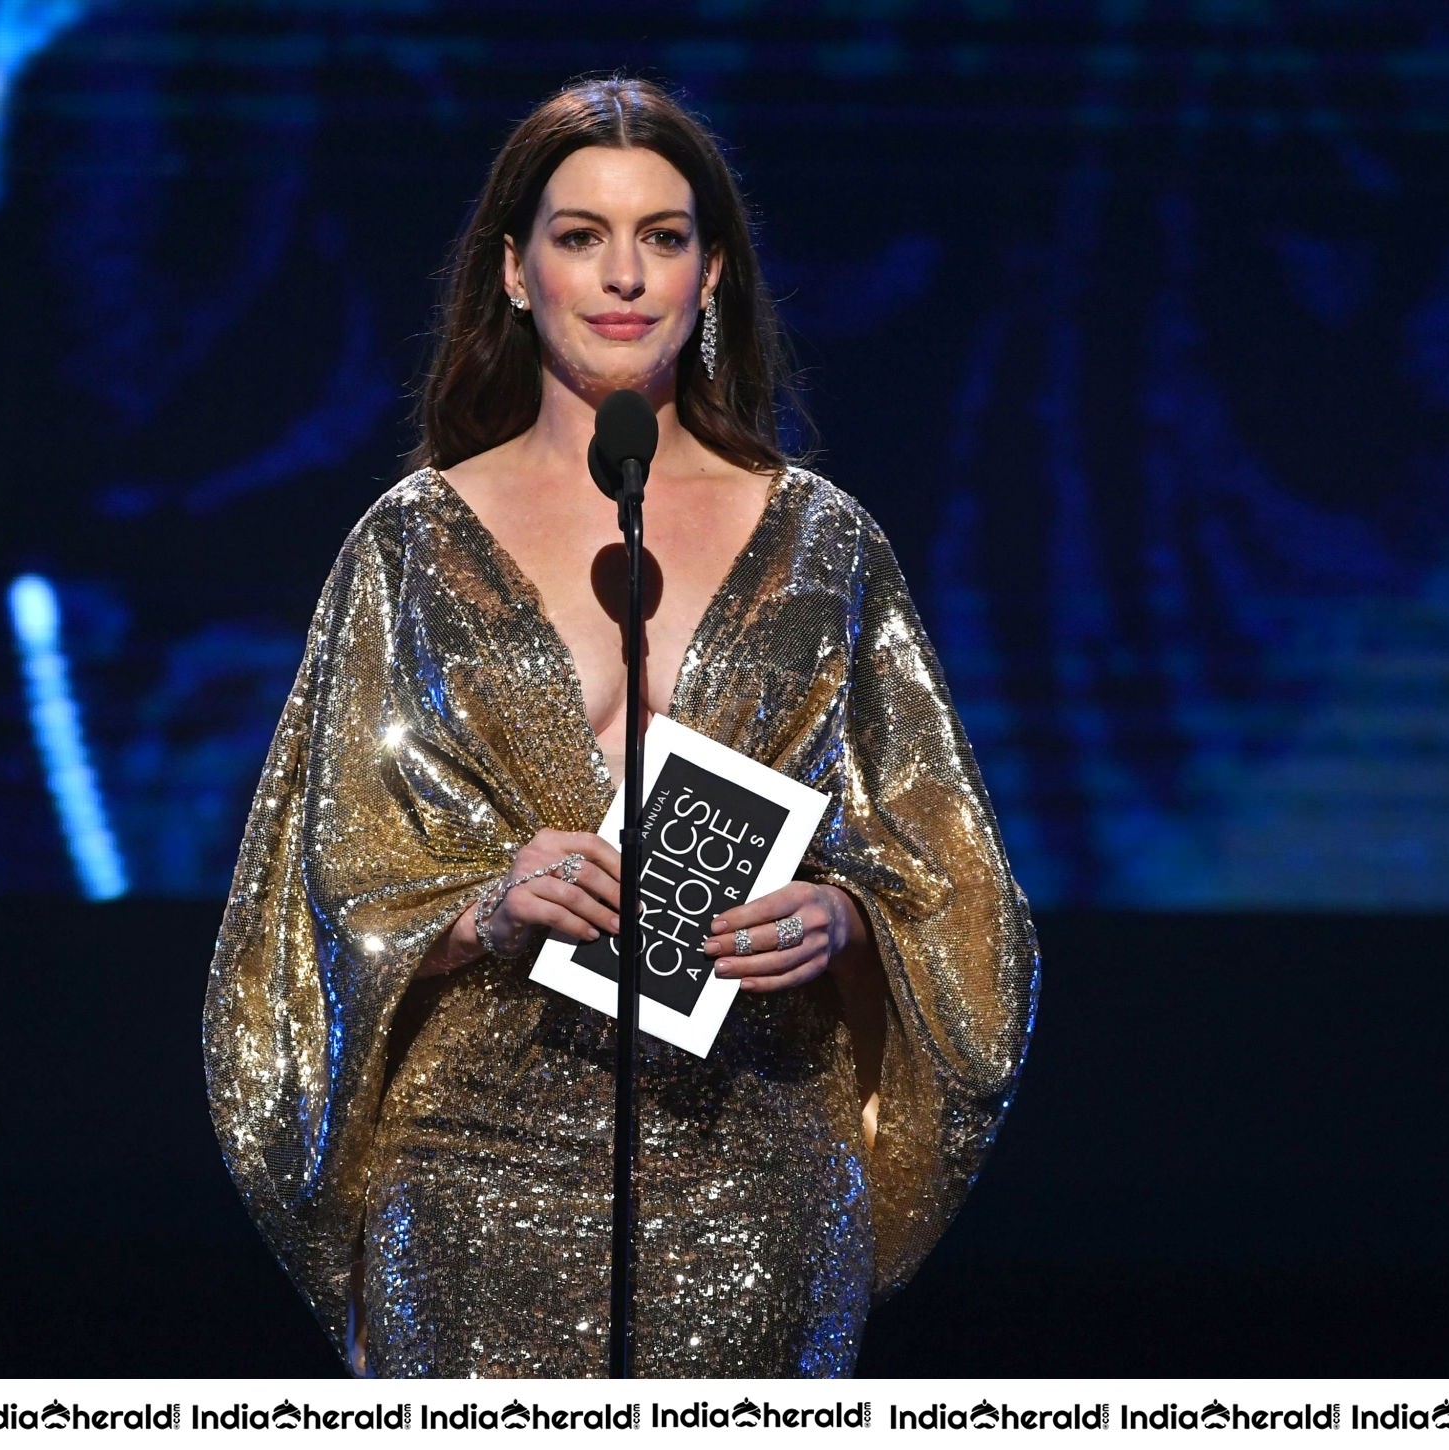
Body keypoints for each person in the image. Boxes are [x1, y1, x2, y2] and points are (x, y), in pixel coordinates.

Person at [202, 73, 1039, 1378]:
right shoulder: (408, 548)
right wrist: (486, 905)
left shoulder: (823, 547)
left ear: (713, 276)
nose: (624, 273)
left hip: (754, 1174)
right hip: (475, 1176)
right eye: (580, 234)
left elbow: (956, 889)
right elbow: (313, 910)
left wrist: (848, 922)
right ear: (517, 273)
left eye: (663, 235)